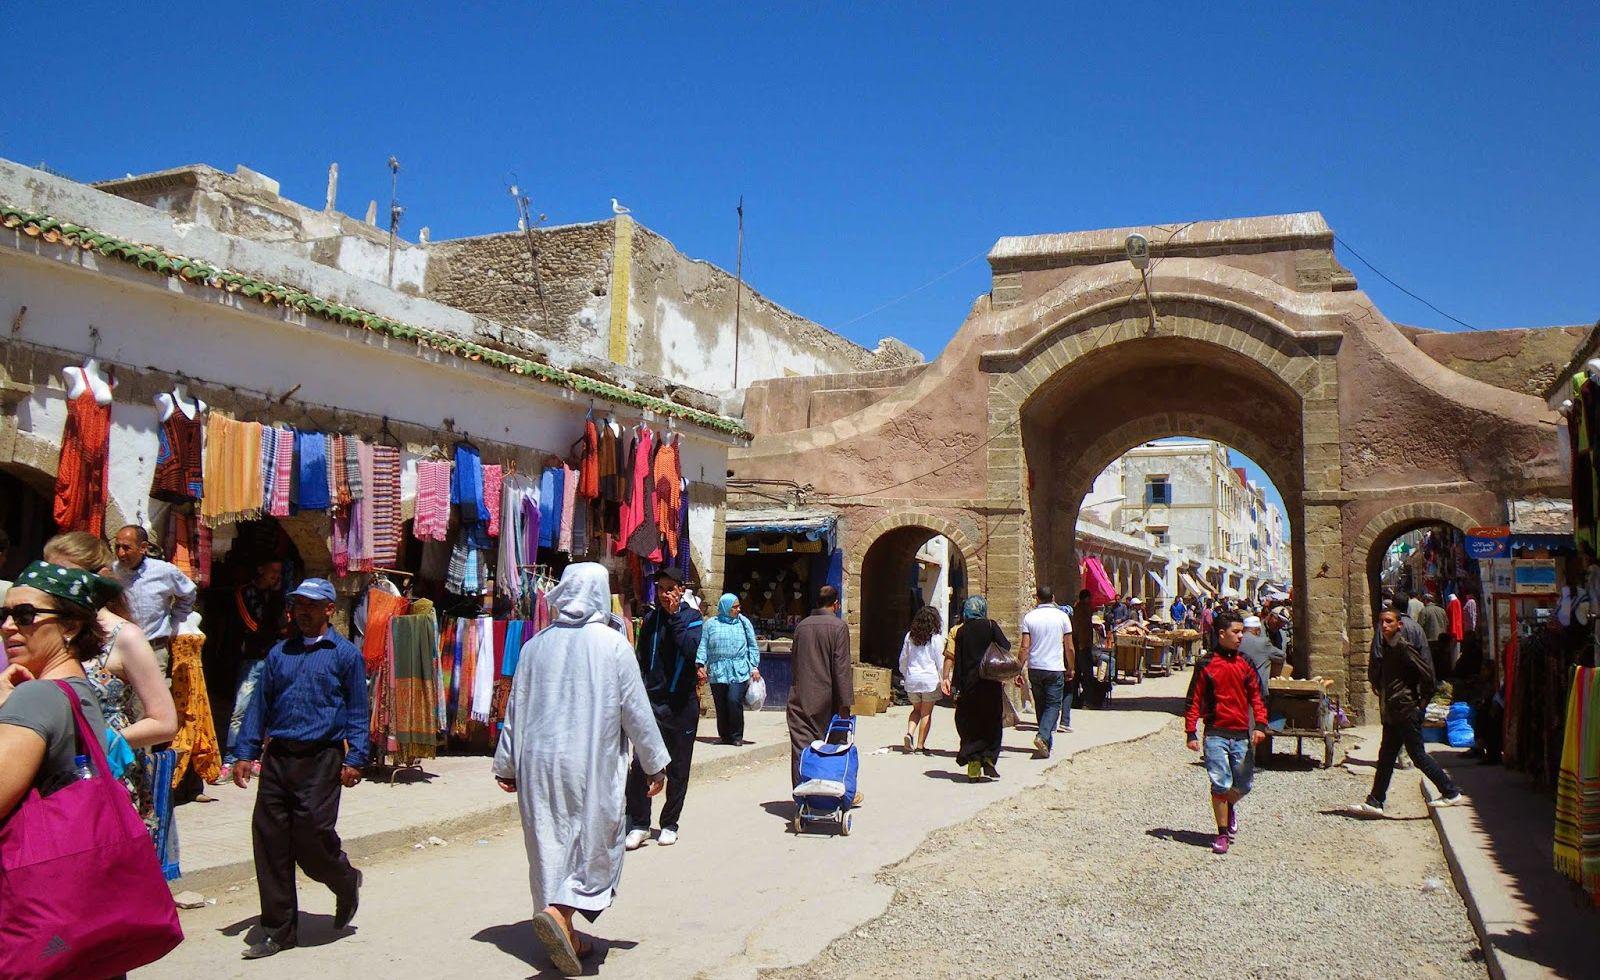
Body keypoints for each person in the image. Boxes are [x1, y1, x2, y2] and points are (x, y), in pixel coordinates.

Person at [492, 563, 670, 976]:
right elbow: (637, 712)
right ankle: (560, 911)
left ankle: (564, 933)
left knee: (548, 842)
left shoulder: (535, 646)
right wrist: (655, 764)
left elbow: (514, 710)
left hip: (537, 762)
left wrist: (505, 762)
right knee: (596, 841)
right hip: (589, 762)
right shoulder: (613, 645)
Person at [232, 578, 367, 960]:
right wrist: (245, 752)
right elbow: (260, 704)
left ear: (329, 609)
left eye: (311, 605)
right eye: (297, 605)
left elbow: (358, 709)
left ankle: (344, 879)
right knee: (270, 842)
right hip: (279, 758)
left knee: (312, 836)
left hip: (321, 758)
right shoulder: (279, 654)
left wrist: (356, 757)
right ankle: (278, 931)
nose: (302, 612)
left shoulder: (345, 655)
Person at [41, 532, 180, 835]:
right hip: (53, 774)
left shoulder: (125, 637)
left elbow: (164, 721)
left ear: (98, 579)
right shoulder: (46, 631)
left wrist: (104, 742)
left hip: (109, 775)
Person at [0, 562, 116, 822]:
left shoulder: (37, 696)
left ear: (70, 626)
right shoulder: (77, 688)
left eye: (25, 615)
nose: (7, 626)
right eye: (3, 615)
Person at [1358, 608, 1467, 816]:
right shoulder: (1387, 646)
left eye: (1389, 622)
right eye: (1382, 622)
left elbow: (1426, 673)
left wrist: (1421, 703)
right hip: (1394, 710)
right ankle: (1375, 801)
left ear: (1399, 624)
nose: (1384, 626)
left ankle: (1450, 791)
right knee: (1386, 756)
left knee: (1417, 755)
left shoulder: (1402, 647)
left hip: (1406, 709)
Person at [624, 568, 703, 849]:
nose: (664, 594)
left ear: (681, 590)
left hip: (682, 704)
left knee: (678, 767)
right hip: (652, 703)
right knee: (640, 764)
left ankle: (669, 823)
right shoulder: (650, 620)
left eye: (670, 589)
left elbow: (691, 651)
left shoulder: (692, 620)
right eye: (660, 589)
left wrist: (674, 618)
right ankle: (639, 823)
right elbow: (642, 658)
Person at [1185, 612, 1267, 855]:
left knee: (1244, 784)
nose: (1241, 636)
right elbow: (1194, 699)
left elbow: (1257, 696)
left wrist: (1261, 725)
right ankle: (1222, 834)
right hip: (1216, 734)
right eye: (1236, 632)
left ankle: (1228, 806)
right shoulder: (1206, 664)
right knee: (1220, 782)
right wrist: (1191, 732)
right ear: (1222, 634)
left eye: (1242, 631)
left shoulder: (1246, 663)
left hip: (1241, 733)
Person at [220, 559, 286, 783]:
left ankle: (257, 756)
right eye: (273, 571)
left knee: (269, 708)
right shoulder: (245, 593)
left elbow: (283, 623)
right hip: (252, 658)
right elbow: (252, 624)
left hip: (272, 658)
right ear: (261, 568)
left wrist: (276, 598)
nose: (276, 576)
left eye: (279, 572)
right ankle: (231, 756)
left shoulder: (278, 596)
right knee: (241, 707)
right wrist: (271, 630)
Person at [787, 585, 853, 792]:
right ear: (836, 604)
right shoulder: (838, 627)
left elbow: (795, 661)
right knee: (831, 749)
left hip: (800, 697)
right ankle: (830, 792)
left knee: (802, 750)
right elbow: (841, 668)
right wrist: (845, 705)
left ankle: (802, 792)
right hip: (828, 701)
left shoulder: (802, 626)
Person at [112, 524, 197, 679]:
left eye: (126, 548)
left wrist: (175, 621)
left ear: (143, 547)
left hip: (153, 651)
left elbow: (188, 593)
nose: (120, 553)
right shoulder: (113, 571)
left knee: (150, 702)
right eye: (117, 547)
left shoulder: (164, 571)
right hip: (121, 651)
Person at [946, 595, 1009, 782]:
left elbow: (959, 662)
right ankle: (989, 757)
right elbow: (1005, 645)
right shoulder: (990, 626)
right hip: (990, 684)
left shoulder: (962, 631)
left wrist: (955, 687)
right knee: (992, 721)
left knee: (970, 724)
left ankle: (973, 764)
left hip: (969, 686)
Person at [695, 593, 762, 746]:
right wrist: (700, 664)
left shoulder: (743, 623)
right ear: (725, 608)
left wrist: (754, 666)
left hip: (738, 669)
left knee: (733, 700)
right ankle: (724, 736)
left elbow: (752, 645)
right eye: (735, 607)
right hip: (718, 670)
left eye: (738, 606)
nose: (738, 609)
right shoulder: (710, 624)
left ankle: (737, 735)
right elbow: (703, 645)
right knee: (721, 704)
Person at [1019, 586, 1074, 759]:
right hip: (1054, 668)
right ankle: (1042, 736)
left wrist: (1018, 669)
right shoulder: (1062, 617)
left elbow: (1024, 647)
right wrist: (1071, 667)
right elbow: (1069, 647)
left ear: (1037, 598)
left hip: (1035, 667)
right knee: (1053, 706)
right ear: (1053, 597)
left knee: (1041, 705)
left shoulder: (1029, 617)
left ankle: (1046, 744)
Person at [897, 605, 945, 755]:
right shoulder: (936, 639)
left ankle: (909, 733)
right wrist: (944, 678)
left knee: (916, 710)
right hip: (929, 681)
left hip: (912, 679)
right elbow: (940, 661)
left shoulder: (910, 636)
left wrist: (905, 673)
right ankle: (920, 745)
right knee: (926, 713)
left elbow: (903, 658)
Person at [1238, 615, 1287, 700]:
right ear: (1257, 631)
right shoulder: (1263, 642)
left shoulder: (1236, 641)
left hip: (1238, 689)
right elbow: (1281, 656)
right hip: (1257, 690)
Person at [1415, 593, 1450, 679]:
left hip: (1430, 641)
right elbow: (1447, 623)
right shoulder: (1442, 610)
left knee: (1433, 661)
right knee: (1442, 661)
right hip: (1442, 640)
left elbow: (1420, 626)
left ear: (1426, 601)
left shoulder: (1424, 611)